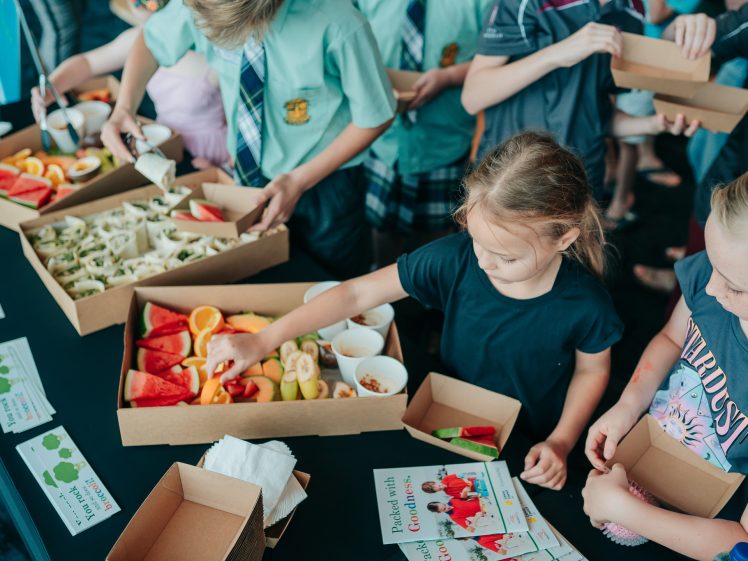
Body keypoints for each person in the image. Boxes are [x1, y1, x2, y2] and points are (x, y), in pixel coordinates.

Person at [206, 132, 625, 491]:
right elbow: (354, 295)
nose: (484, 262)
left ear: (564, 238)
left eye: (506, 257)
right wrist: (262, 339)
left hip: (531, 432)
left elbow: (592, 371)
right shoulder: (454, 258)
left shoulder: (586, 303)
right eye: (477, 241)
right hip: (449, 412)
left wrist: (562, 441)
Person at [101, 0, 396, 278]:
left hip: (327, 185)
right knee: (264, 278)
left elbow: (376, 115)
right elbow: (151, 41)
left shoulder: (339, 22)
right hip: (246, 179)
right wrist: (124, 106)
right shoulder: (203, 5)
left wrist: (298, 181)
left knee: (333, 277)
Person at [583, 173, 748, 559]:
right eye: (712, 264)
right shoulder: (720, 274)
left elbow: (741, 541)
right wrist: (627, 406)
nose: (708, 289)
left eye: (735, 287)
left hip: (710, 514)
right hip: (651, 446)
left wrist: (623, 510)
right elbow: (672, 339)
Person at [461, 0, 698, 203]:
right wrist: (557, 54)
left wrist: (653, 124)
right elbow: (473, 96)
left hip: (582, 181)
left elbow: (597, 114)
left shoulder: (632, 10)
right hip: (510, 180)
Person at [354, 0, 492, 266]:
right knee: (380, 227)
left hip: (444, 141)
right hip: (382, 142)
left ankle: (426, 300)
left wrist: (448, 76)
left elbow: (497, 57)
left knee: (436, 235)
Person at [31, 0, 229, 169]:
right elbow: (87, 64)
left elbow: (239, 113)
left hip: (212, 152)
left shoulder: (209, 53)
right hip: (163, 141)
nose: (143, 6)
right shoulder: (139, 38)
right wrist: (53, 85)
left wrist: (229, 165)